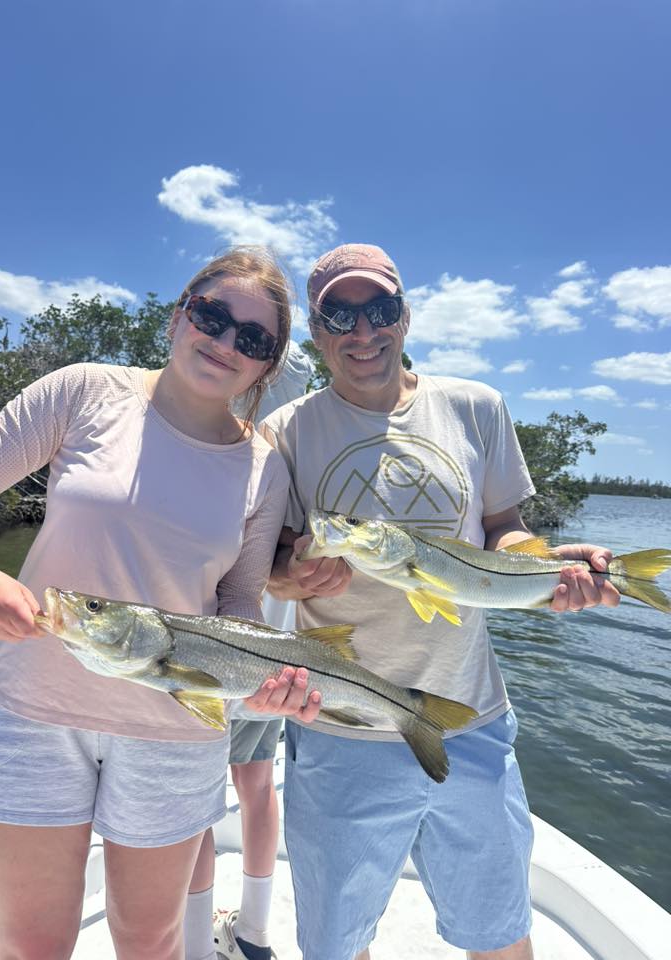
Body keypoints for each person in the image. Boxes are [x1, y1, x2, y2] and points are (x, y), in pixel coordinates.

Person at [252, 243, 621, 960]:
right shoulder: (284, 431)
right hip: (340, 728)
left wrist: (545, 570)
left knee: (500, 931)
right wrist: (290, 578)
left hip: (472, 719)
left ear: (406, 316)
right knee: (335, 943)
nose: (363, 332)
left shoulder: (476, 406)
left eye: (380, 309)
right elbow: (264, 564)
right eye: (340, 315)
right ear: (318, 333)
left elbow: (505, 531)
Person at [0, 247, 308, 960]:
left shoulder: (265, 466)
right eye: (212, 315)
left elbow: (237, 597)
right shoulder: (85, 391)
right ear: (179, 315)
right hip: (30, 710)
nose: (226, 341)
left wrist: (259, 679)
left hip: (173, 729)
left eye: (255, 339)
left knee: (151, 941)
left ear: (267, 365)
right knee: (30, 945)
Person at [184, 340, 315, 960]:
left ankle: (191, 938)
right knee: (258, 787)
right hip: (272, 659)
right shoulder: (297, 455)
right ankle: (257, 931)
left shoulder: (210, 449)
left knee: (195, 795)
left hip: (202, 657)